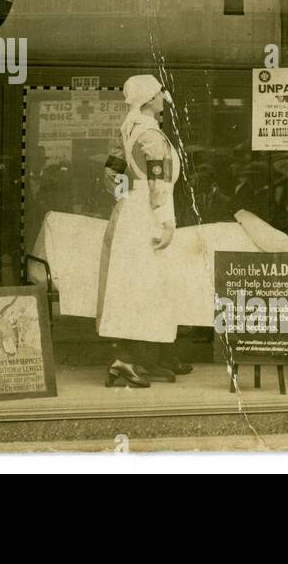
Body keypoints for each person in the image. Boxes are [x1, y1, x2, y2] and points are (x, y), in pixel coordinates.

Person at [96, 74, 191, 387]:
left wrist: (127, 200)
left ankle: (138, 358)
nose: (162, 99)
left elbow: (110, 173)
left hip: (130, 214)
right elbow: (158, 183)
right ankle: (126, 360)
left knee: (132, 287)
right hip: (150, 216)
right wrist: (166, 220)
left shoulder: (129, 128)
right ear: (149, 98)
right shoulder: (150, 134)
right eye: (160, 94)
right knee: (146, 288)